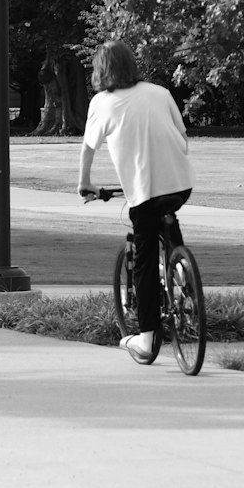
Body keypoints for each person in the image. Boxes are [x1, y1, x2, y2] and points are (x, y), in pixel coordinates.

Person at [78, 40, 194, 363]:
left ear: (101, 71)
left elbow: (88, 148)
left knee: (143, 258)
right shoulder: (160, 92)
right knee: (167, 222)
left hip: (144, 192)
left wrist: (84, 184)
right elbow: (182, 137)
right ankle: (182, 274)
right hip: (181, 184)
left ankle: (145, 339)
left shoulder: (102, 103)